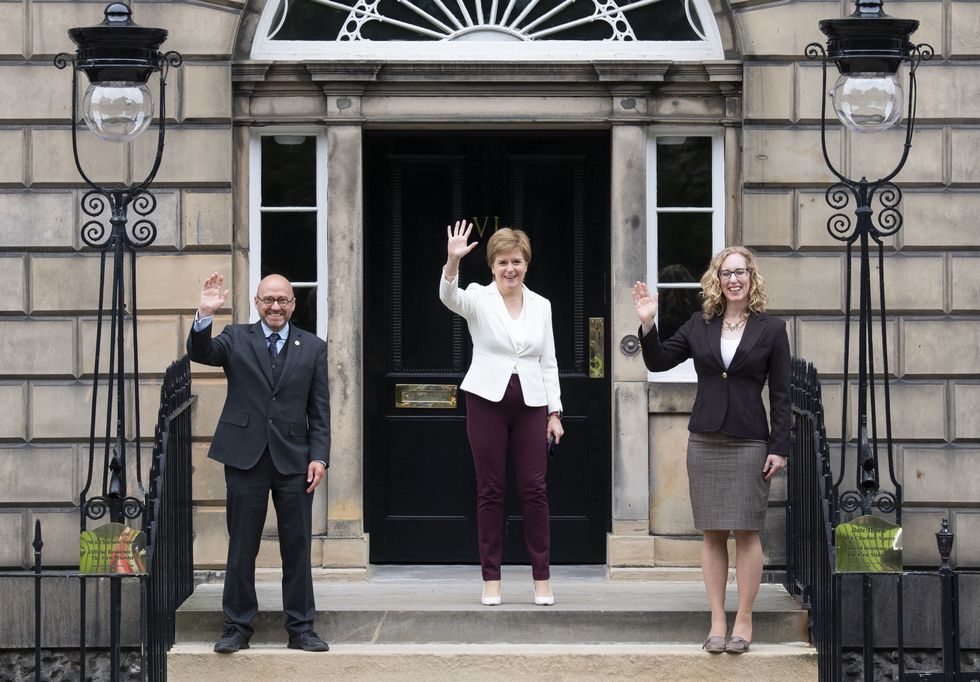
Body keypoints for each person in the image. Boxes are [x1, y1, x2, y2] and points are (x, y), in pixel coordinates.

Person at [632, 246, 790, 655]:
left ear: (751, 278)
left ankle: (745, 618)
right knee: (713, 532)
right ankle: (718, 619)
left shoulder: (771, 329)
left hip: (750, 439)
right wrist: (648, 324)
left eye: (740, 272)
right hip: (705, 439)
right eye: (726, 273)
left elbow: (784, 395)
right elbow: (660, 361)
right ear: (716, 280)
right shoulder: (699, 324)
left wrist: (779, 446)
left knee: (748, 532)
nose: (733, 279)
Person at [188, 272, 331, 654]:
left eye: (283, 300)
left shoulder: (313, 347)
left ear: (293, 304)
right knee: (242, 545)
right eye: (268, 299)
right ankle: (236, 628)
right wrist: (205, 312)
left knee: (297, 545)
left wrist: (320, 456)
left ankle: (301, 629)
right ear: (256, 302)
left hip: (294, 459)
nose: (275, 307)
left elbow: (319, 410)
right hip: (245, 456)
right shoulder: (236, 338)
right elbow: (201, 354)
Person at [439, 221, 564, 607]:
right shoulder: (478, 297)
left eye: (517, 261)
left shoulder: (541, 305)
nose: (510, 269)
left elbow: (549, 360)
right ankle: (491, 578)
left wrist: (554, 412)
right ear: (491, 266)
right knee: (490, 490)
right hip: (486, 401)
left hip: (531, 403)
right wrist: (452, 261)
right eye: (502, 262)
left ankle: (541, 578)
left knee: (535, 490)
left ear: (526, 264)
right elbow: (448, 297)